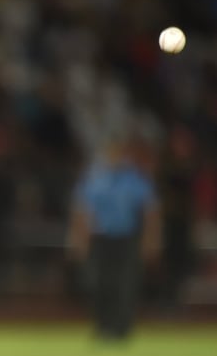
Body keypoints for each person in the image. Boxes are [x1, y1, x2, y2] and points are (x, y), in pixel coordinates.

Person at [67, 135, 161, 340]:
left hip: (127, 238)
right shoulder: (94, 178)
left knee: (126, 284)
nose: (115, 157)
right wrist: (78, 240)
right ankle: (102, 326)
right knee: (98, 282)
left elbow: (150, 211)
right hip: (100, 238)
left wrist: (150, 241)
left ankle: (121, 329)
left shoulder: (135, 178)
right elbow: (81, 211)